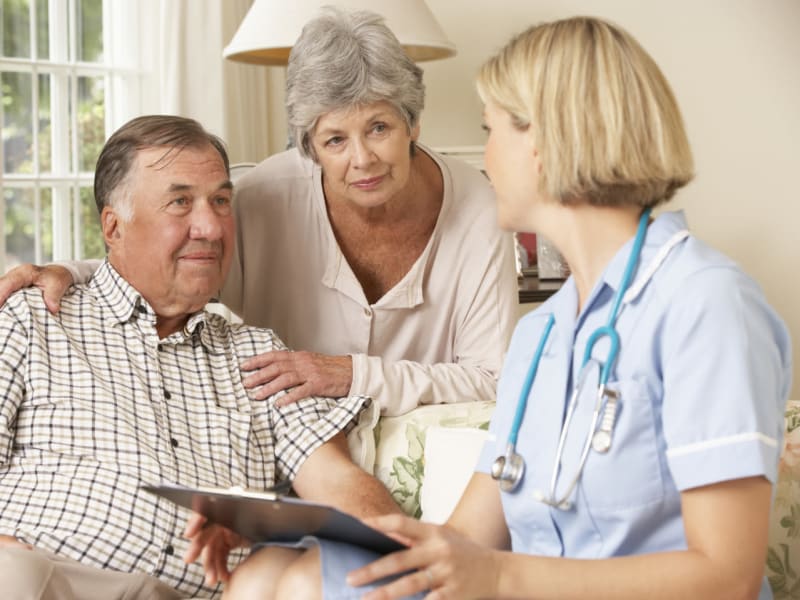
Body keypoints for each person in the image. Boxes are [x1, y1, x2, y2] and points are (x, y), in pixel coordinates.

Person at [227, 16, 792, 599]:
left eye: (489, 130)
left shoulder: (706, 305)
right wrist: (279, 537)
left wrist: (498, 576)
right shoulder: (543, 335)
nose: (483, 159)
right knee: (268, 578)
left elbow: (729, 578)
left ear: (550, 142)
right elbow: (459, 542)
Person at [0, 7, 518, 417]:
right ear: (309, 148)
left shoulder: (478, 208)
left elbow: (494, 380)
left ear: (413, 123)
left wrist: (352, 375)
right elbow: (178, 260)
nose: (363, 159)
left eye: (379, 128)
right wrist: (72, 272)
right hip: (297, 447)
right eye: (335, 139)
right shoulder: (268, 193)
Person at [0, 114, 400, 600]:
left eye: (220, 201)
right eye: (180, 202)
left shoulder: (262, 356)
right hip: (47, 579)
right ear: (113, 225)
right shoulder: (33, 317)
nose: (210, 227)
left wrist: (393, 547)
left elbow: (340, 485)